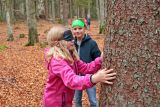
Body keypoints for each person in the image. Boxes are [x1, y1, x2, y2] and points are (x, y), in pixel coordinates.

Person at [43, 25, 116, 107]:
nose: (72, 40)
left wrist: (100, 60)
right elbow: (71, 80)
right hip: (54, 103)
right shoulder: (57, 61)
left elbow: (86, 68)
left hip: (65, 101)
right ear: (58, 43)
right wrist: (94, 78)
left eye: (72, 38)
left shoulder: (71, 57)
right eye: (68, 39)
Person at [72, 19, 101, 107]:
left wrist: (96, 72)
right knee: (77, 100)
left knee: (93, 100)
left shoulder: (92, 43)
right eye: (75, 29)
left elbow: (98, 58)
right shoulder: (71, 44)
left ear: (85, 28)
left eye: (80, 28)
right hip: (76, 76)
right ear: (72, 30)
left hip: (89, 76)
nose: (77, 31)